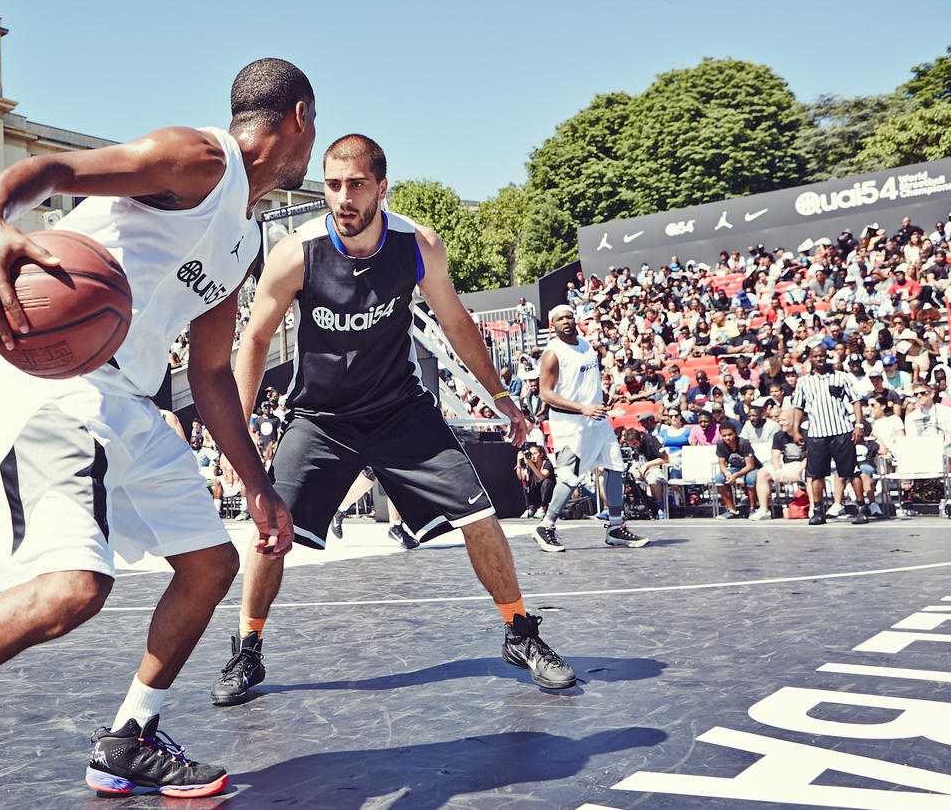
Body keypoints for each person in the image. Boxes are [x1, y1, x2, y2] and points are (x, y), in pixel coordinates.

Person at [0, 58, 315, 805]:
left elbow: (208, 374)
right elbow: (54, 169)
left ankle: (129, 738)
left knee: (210, 565)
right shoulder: (200, 158)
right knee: (73, 589)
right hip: (60, 385)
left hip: (131, 398)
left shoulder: (244, 239)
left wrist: (258, 486)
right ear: (299, 117)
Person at [209, 133, 572, 706]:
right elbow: (253, 338)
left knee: (480, 515)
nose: (343, 198)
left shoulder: (417, 244)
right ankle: (247, 649)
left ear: (382, 188)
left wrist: (499, 393)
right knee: (272, 532)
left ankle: (520, 632)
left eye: (356, 185)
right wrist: (238, 436)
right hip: (321, 418)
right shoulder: (296, 252)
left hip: (400, 410)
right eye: (333, 185)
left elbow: (456, 321)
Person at [534, 305, 651, 550]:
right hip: (571, 423)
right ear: (552, 325)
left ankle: (615, 527)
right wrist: (582, 407)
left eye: (569, 317)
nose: (566, 321)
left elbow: (586, 381)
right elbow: (545, 394)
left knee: (615, 466)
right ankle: (546, 526)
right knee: (569, 477)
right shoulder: (552, 353)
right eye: (560, 319)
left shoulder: (586, 345)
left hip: (597, 419)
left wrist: (601, 396)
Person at [792, 344, 867, 525]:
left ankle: (861, 509)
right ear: (811, 358)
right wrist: (795, 429)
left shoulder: (841, 377)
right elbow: (798, 407)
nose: (820, 359)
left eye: (822, 355)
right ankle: (818, 511)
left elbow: (856, 400)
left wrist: (858, 425)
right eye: (816, 356)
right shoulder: (803, 382)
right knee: (816, 475)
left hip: (841, 431)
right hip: (817, 434)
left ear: (827, 356)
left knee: (852, 471)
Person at [712, 422, 758, 518]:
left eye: (730, 434)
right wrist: (728, 474)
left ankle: (752, 508)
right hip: (735, 468)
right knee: (719, 478)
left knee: (750, 478)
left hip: (751, 468)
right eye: (724, 436)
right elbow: (721, 464)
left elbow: (750, 466)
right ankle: (731, 510)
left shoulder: (744, 443)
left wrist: (735, 476)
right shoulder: (720, 444)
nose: (727, 438)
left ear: (736, 433)